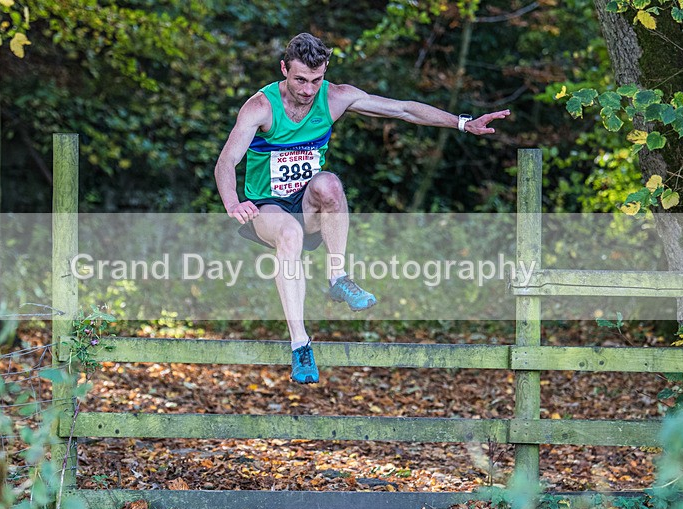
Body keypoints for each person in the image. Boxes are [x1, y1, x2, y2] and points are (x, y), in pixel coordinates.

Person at [215, 33, 509, 385]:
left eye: (316, 80)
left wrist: (462, 123)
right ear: (284, 69)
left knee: (330, 184)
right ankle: (300, 345)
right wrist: (233, 202)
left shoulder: (336, 97)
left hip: (308, 204)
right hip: (267, 208)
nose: (308, 91)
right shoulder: (260, 107)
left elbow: (402, 108)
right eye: (299, 80)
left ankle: (338, 278)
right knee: (289, 235)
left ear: (325, 73)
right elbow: (226, 162)